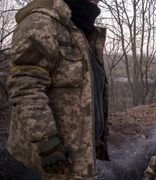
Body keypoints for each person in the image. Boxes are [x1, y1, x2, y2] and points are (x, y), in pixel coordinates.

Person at [6, 0, 109, 179]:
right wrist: (47, 143)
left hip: (78, 156)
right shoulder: (42, 22)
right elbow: (26, 84)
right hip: (52, 161)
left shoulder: (82, 31)